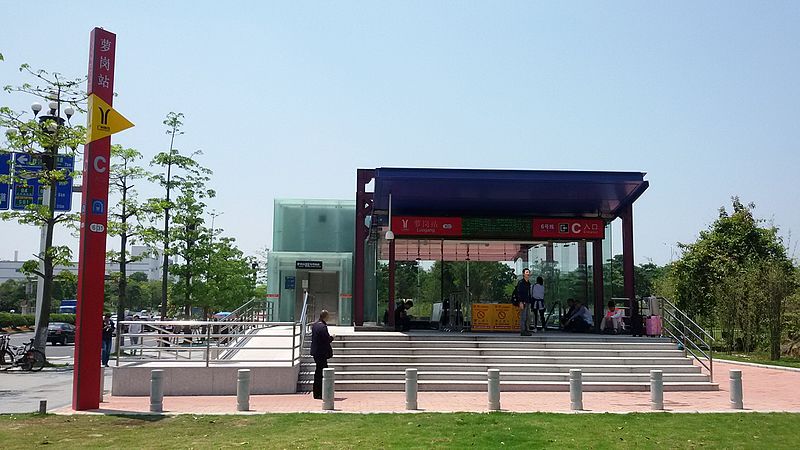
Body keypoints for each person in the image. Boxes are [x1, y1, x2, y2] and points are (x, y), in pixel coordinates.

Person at [310, 310, 335, 399]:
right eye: (328, 316)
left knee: (318, 371)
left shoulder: (315, 325)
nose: (329, 318)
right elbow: (326, 339)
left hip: (316, 352)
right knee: (322, 372)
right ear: (325, 316)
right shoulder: (323, 327)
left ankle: (317, 392)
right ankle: (320, 392)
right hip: (321, 353)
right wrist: (332, 337)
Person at [514, 268, 533, 336]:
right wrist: (520, 302)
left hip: (528, 302)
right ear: (523, 274)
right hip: (523, 302)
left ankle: (527, 329)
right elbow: (519, 293)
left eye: (529, 272)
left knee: (528, 317)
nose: (528, 274)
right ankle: (523, 330)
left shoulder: (528, 283)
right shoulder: (521, 282)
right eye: (526, 272)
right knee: (523, 317)